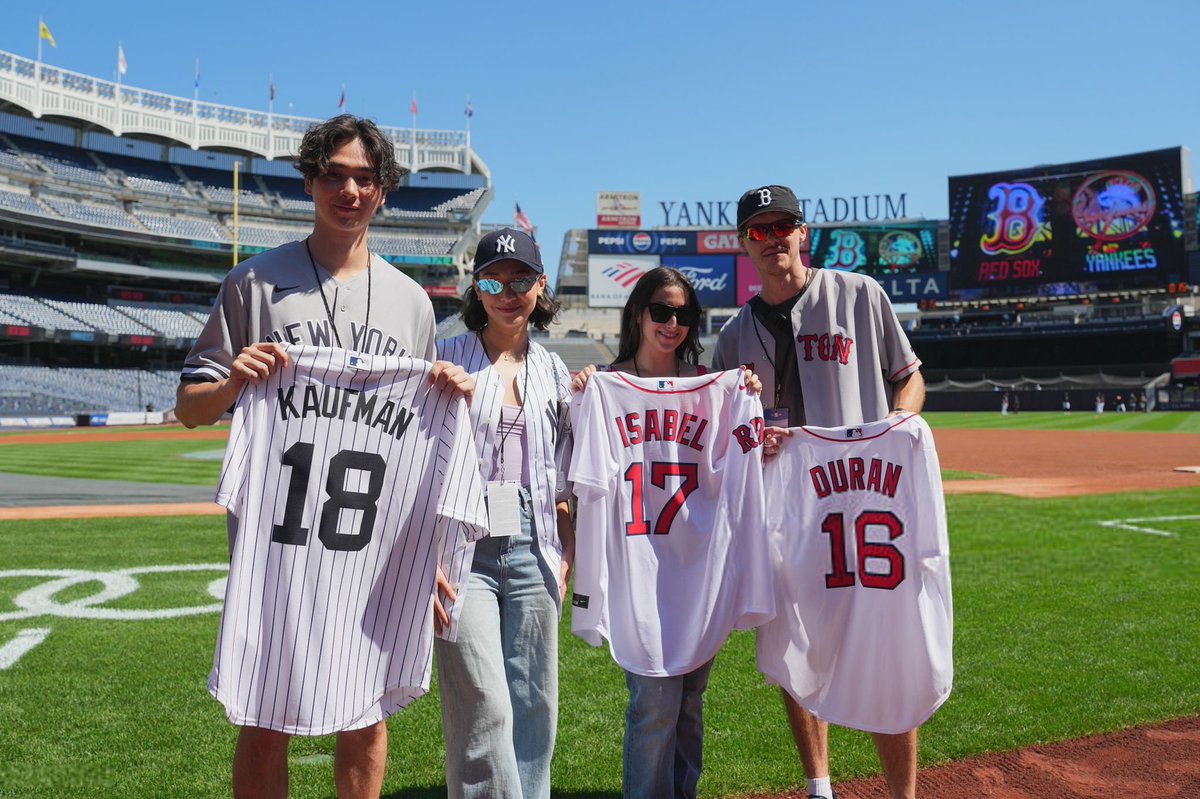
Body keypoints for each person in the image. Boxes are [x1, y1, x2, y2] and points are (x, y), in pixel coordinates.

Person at [175, 114, 473, 799]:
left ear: (384, 191)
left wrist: (426, 556)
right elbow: (190, 407)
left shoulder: (412, 304)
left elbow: (415, 445)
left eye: (365, 178)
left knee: (365, 713)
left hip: (373, 546)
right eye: (334, 174)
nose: (349, 189)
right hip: (276, 544)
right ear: (310, 181)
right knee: (264, 714)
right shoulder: (254, 283)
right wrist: (233, 380)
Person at [712, 185, 926, 799]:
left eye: (783, 225)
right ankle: (820, 788)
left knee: (885, 647)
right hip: (788, 515)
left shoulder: (859, 296)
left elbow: (909, 381)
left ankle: (903, 794)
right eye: (758, 229)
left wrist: (900, 427)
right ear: (744, 244)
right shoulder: (732, 337)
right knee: (794, 650)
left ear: (804, 232)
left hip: (865, 501)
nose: (773, 237)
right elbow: (727, 435)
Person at [573, 266, 763, 799]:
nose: (672, 322)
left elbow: (746, 458)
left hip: (698, 565)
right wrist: (585, 394)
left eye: (683, 314)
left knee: (690, 701)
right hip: (638, 565)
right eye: (661, 310)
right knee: (654, 702)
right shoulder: (607, 386)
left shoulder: (713, 387)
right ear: (638, 314)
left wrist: (744, 394)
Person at [434, 227, 575, 799]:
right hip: (462, 542)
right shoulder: (447, 358)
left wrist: (570, 549)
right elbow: (416, 467)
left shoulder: (557, 370)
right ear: (477, 287)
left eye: (521, 280)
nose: (508, 292)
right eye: (494, 280)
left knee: (534, 700)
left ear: (541, 286)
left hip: (536, 538)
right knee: (484, 700)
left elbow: (569, 475)